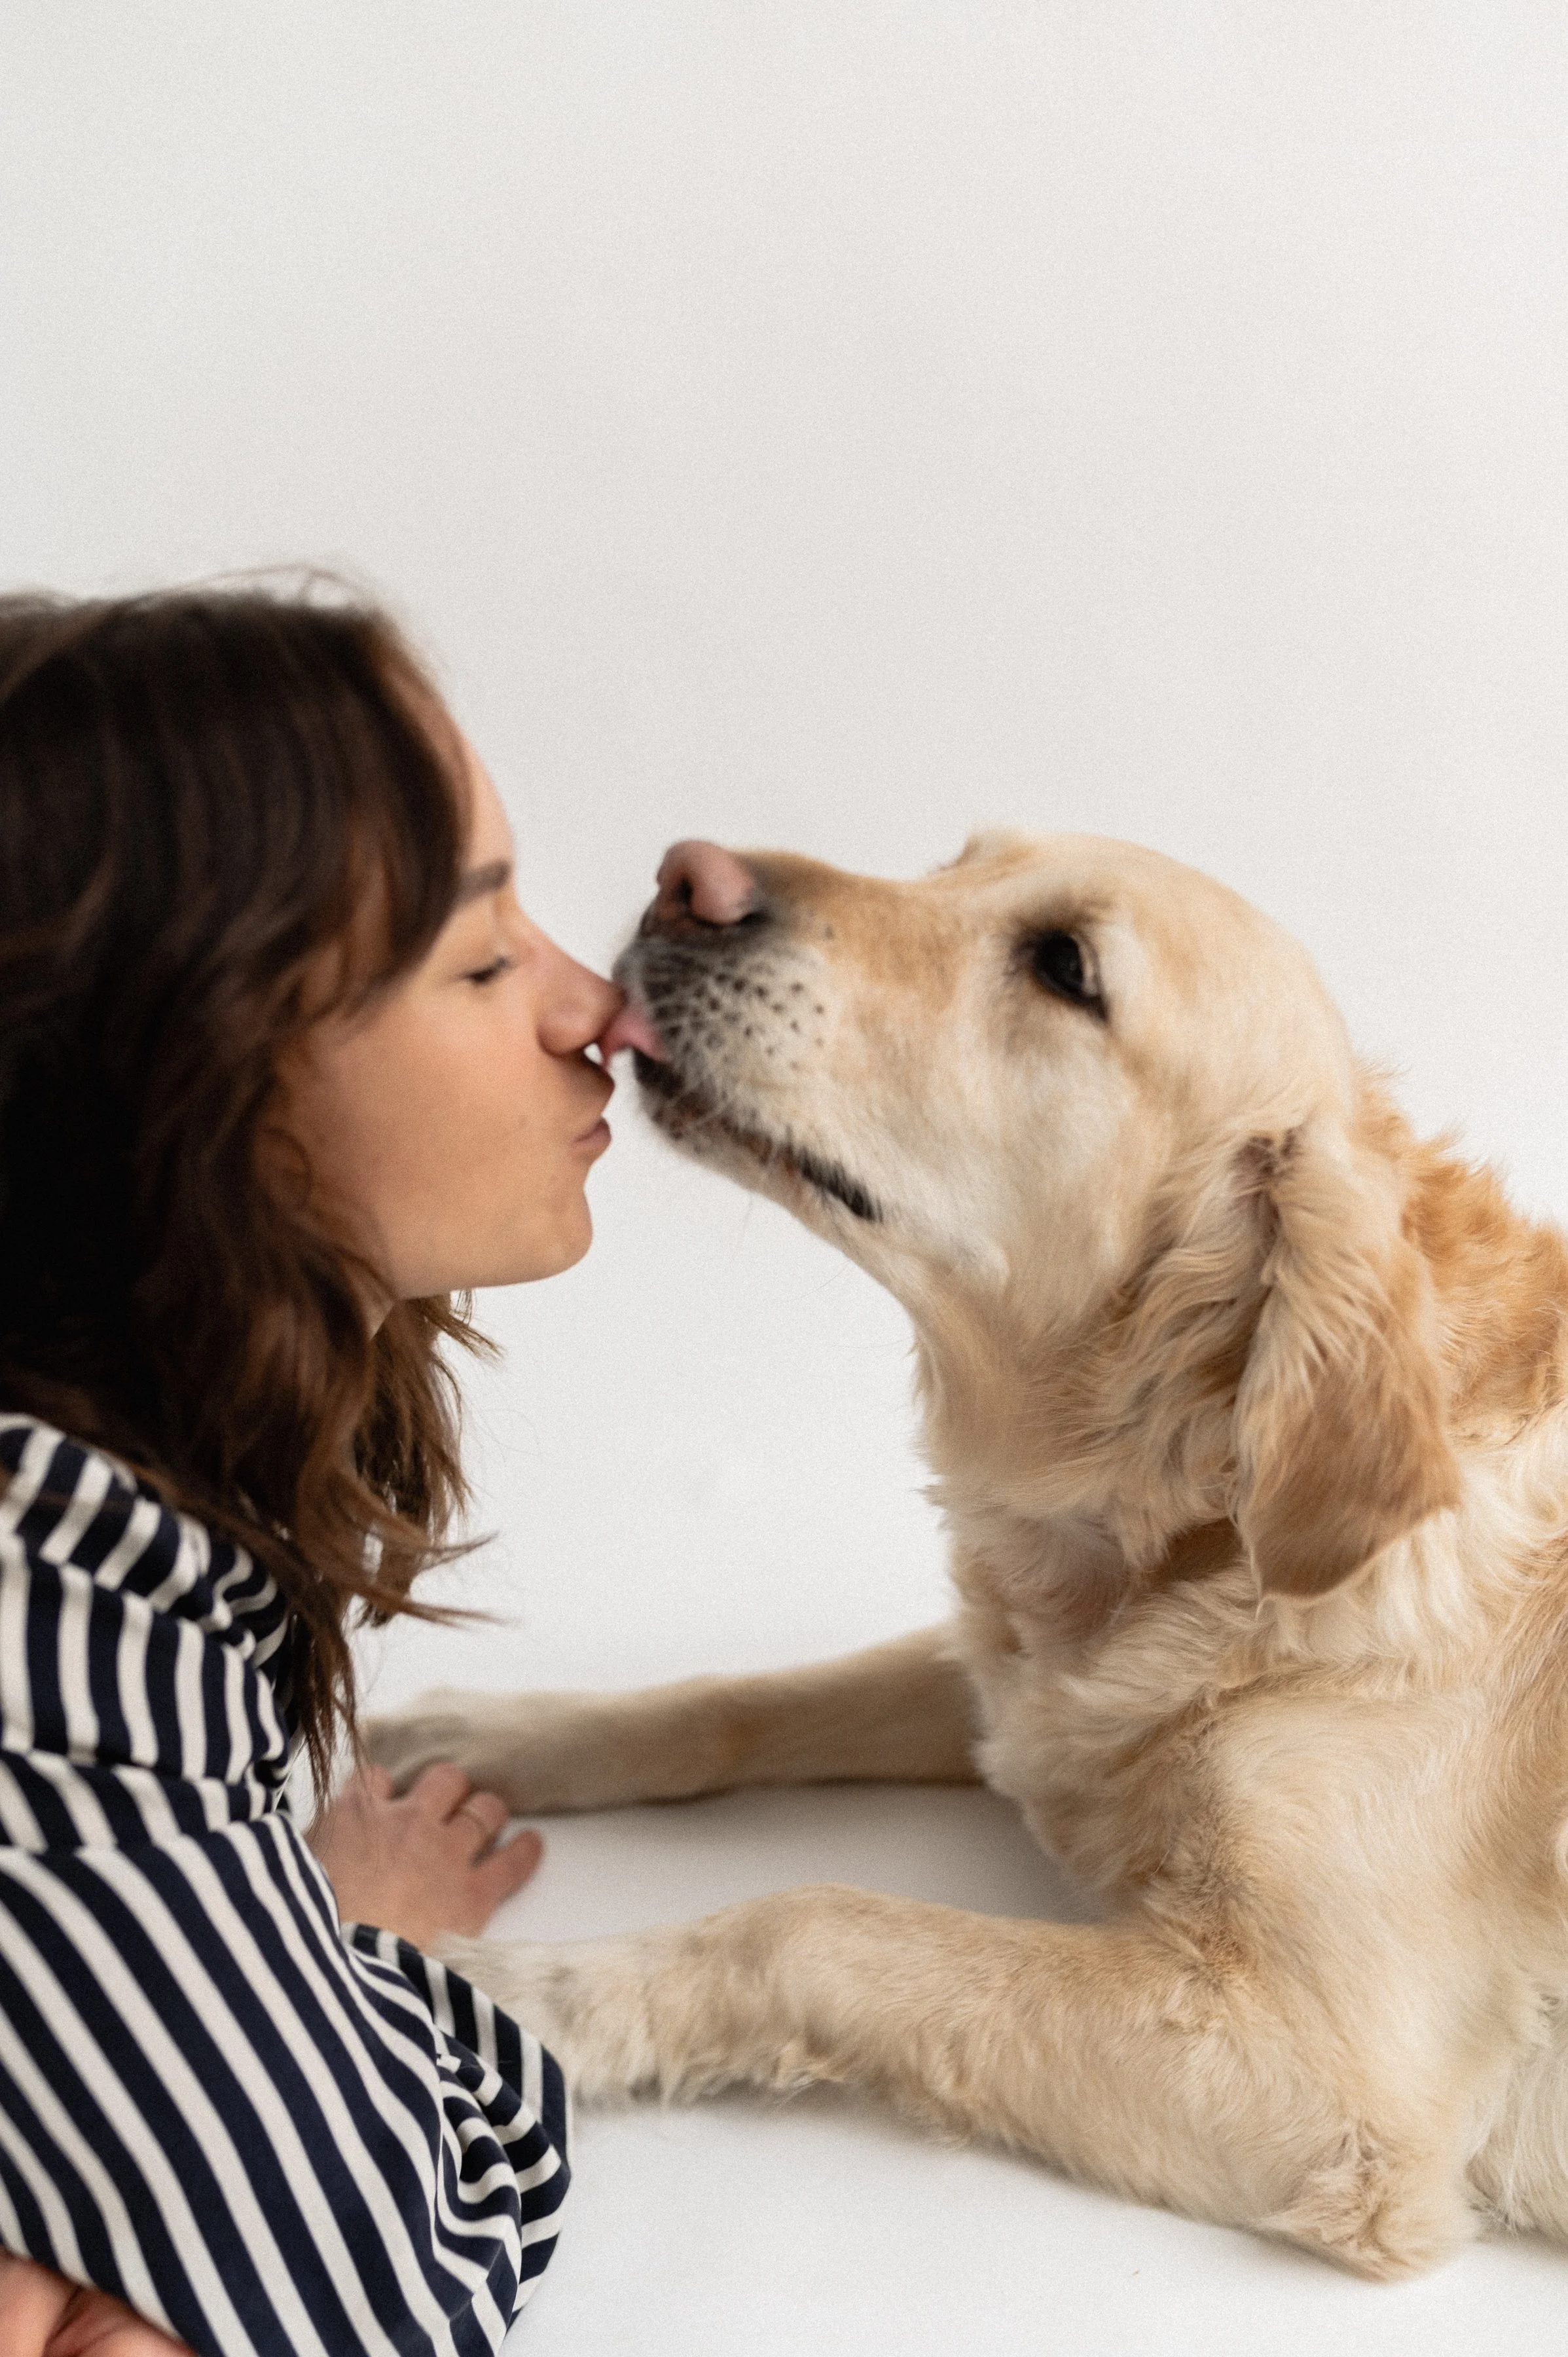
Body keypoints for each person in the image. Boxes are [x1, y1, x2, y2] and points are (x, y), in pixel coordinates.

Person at [0, 586, 628, 2356]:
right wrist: (360, 1988)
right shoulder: (54, 1666)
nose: (598, 1013)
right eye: (483, 960)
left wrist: (283, 1954)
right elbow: (369, 2281)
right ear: (194, 1091)